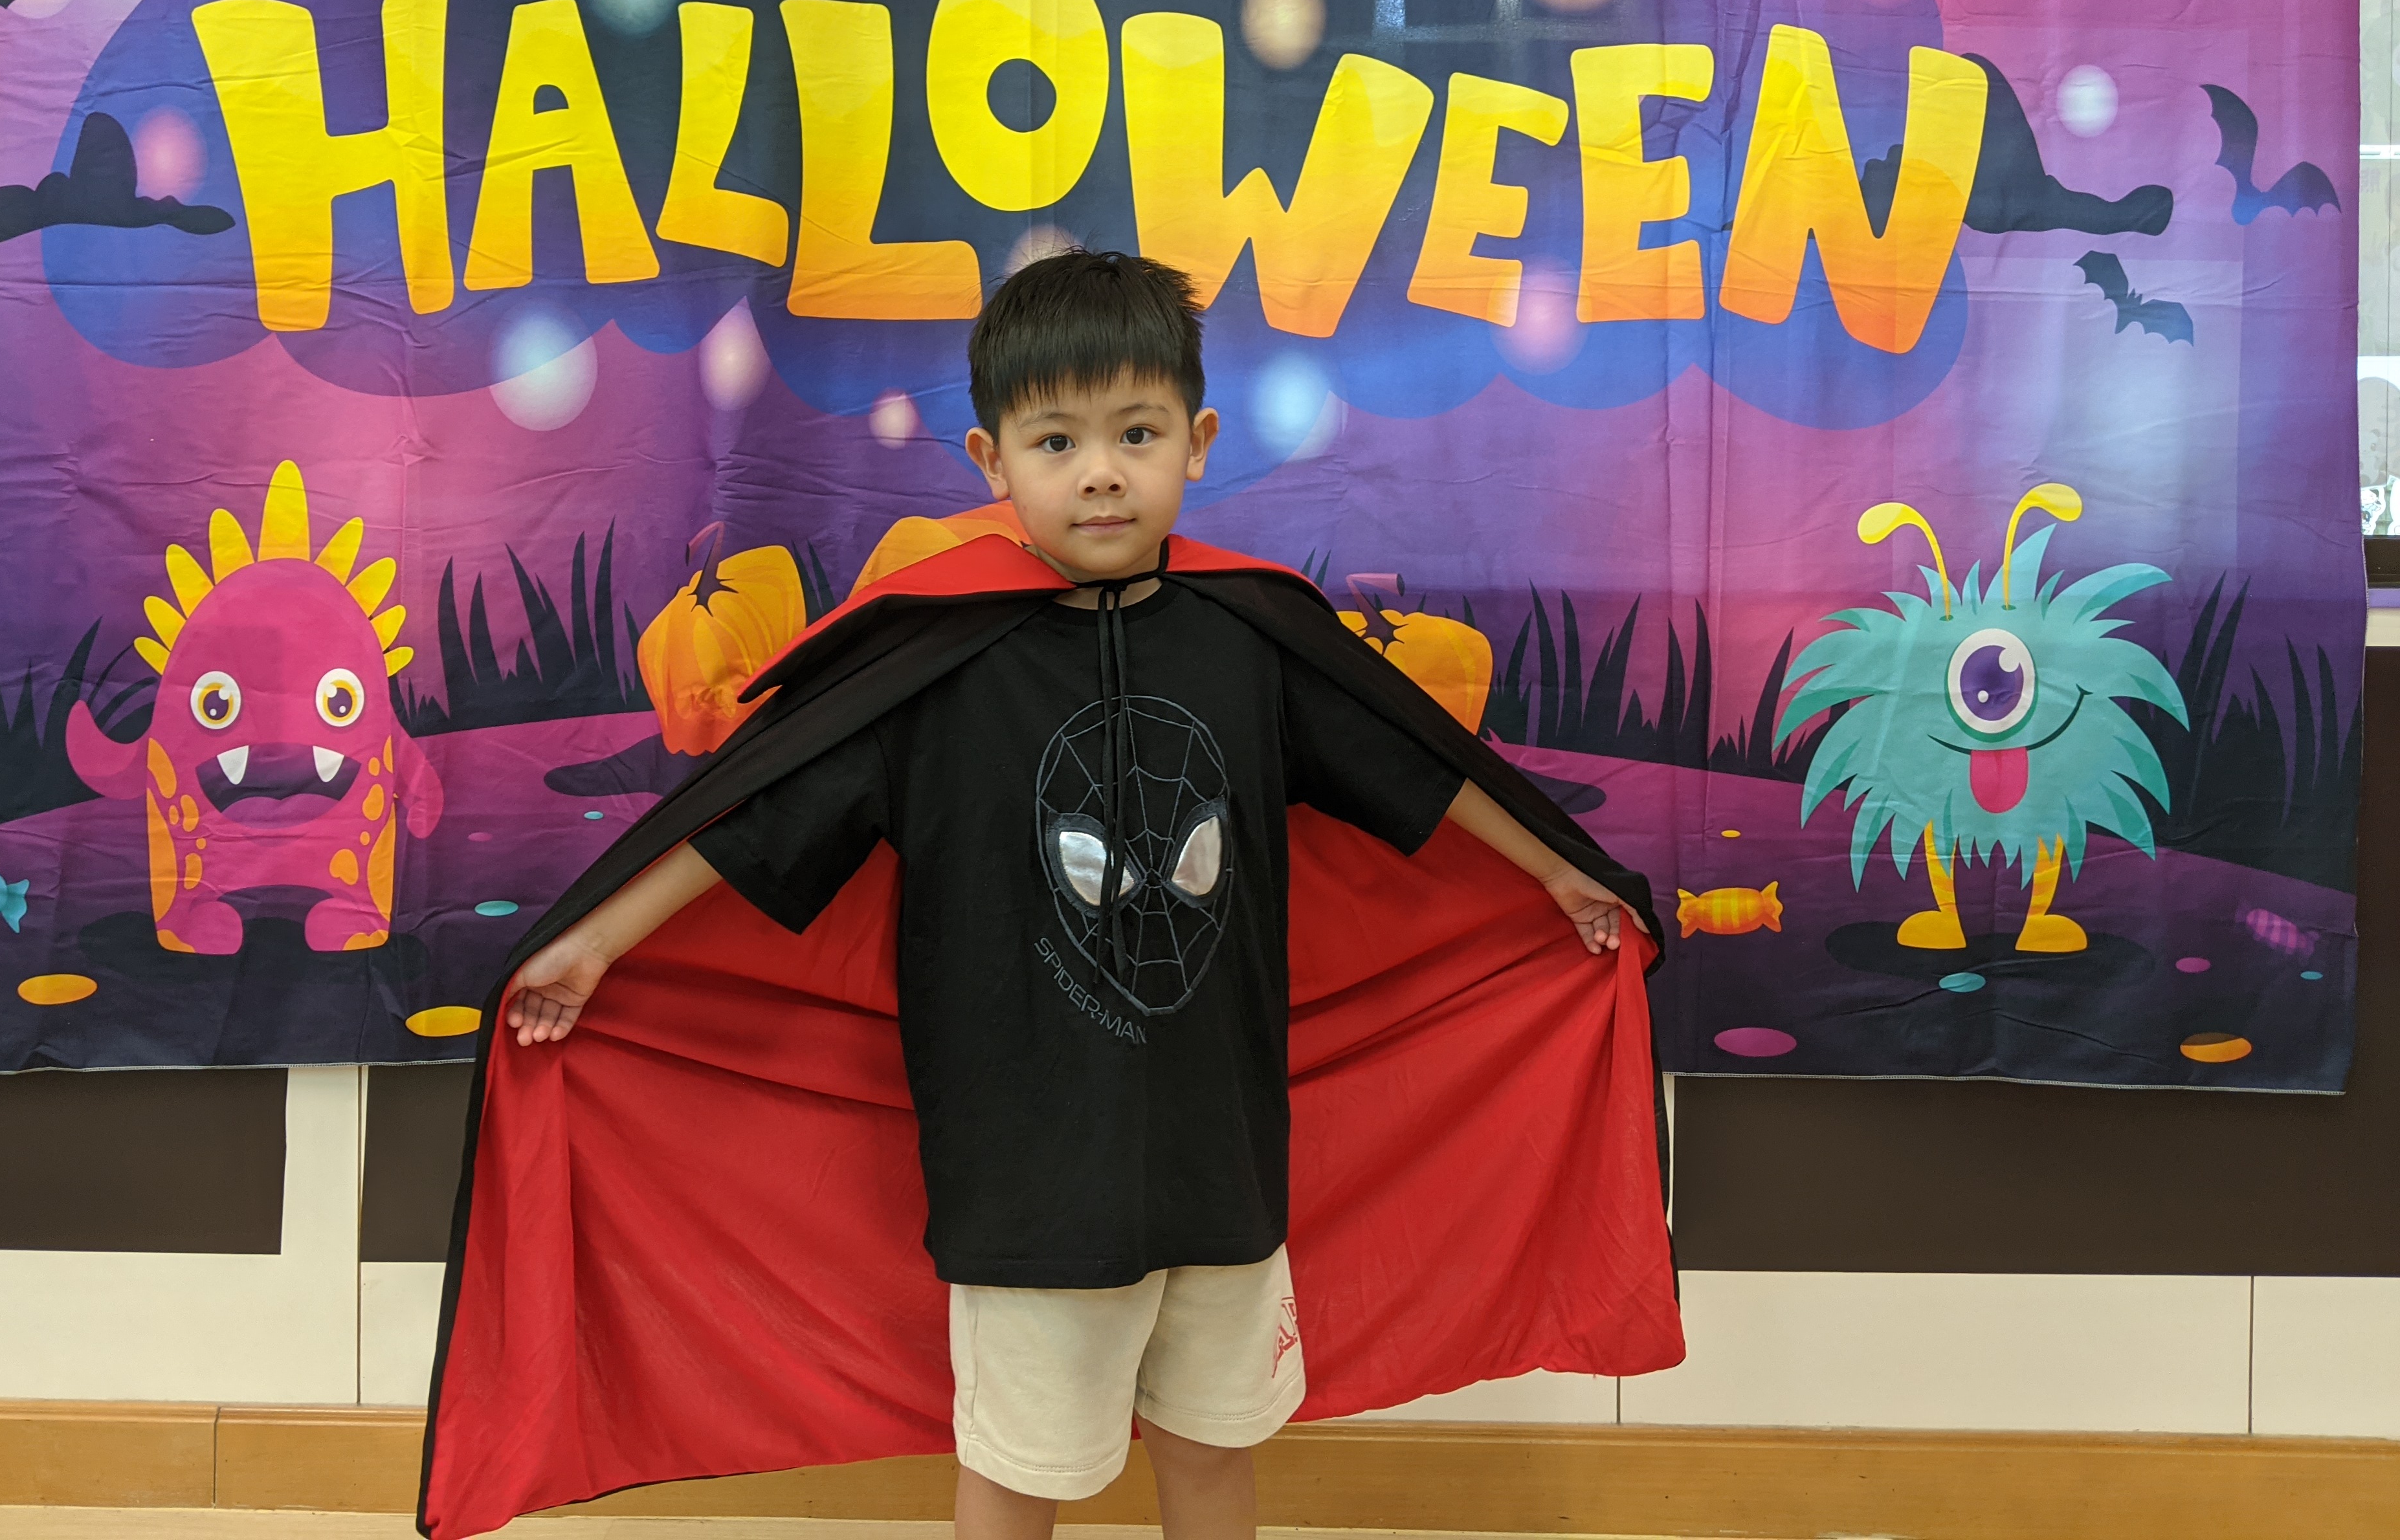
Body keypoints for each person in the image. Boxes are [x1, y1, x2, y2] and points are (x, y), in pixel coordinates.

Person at [484, 252, 1645, 1540]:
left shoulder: (1255, 641)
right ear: (994, 460)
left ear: (1198, 441)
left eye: (1136, 434)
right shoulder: (928, 665)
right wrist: (595, 943)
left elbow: (1417, 769)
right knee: (1018, 1468)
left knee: (1215, 1448)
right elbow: (759, 822)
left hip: (1220, 1164)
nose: (1100, 472)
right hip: (1027, 1180)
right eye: (1057, 440)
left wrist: (1560, 870)